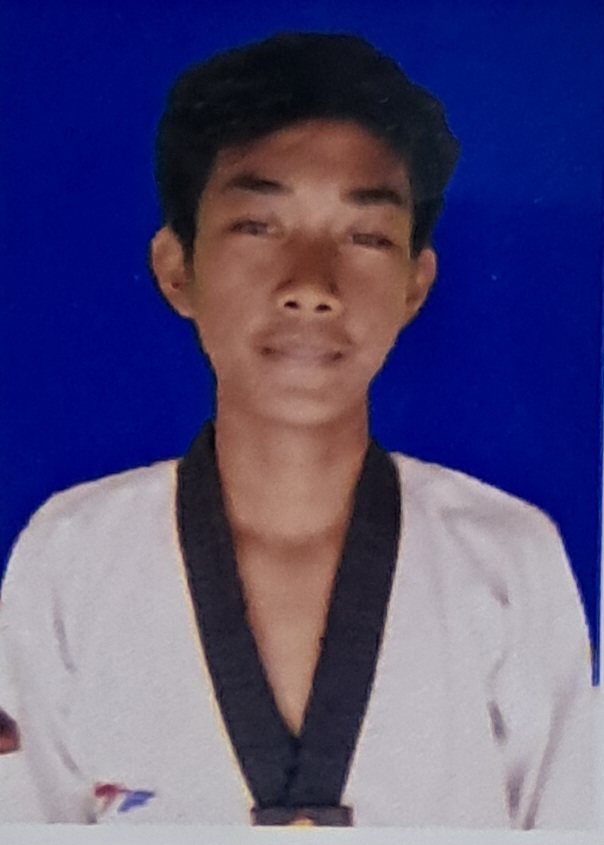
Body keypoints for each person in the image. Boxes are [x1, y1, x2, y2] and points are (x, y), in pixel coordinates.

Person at [0, 32, 596, 828]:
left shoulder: (507, 561)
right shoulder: (72, 558)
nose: (311, 285)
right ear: (178, 269)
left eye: (365, 235)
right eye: (260, 226)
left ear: (415, 284)